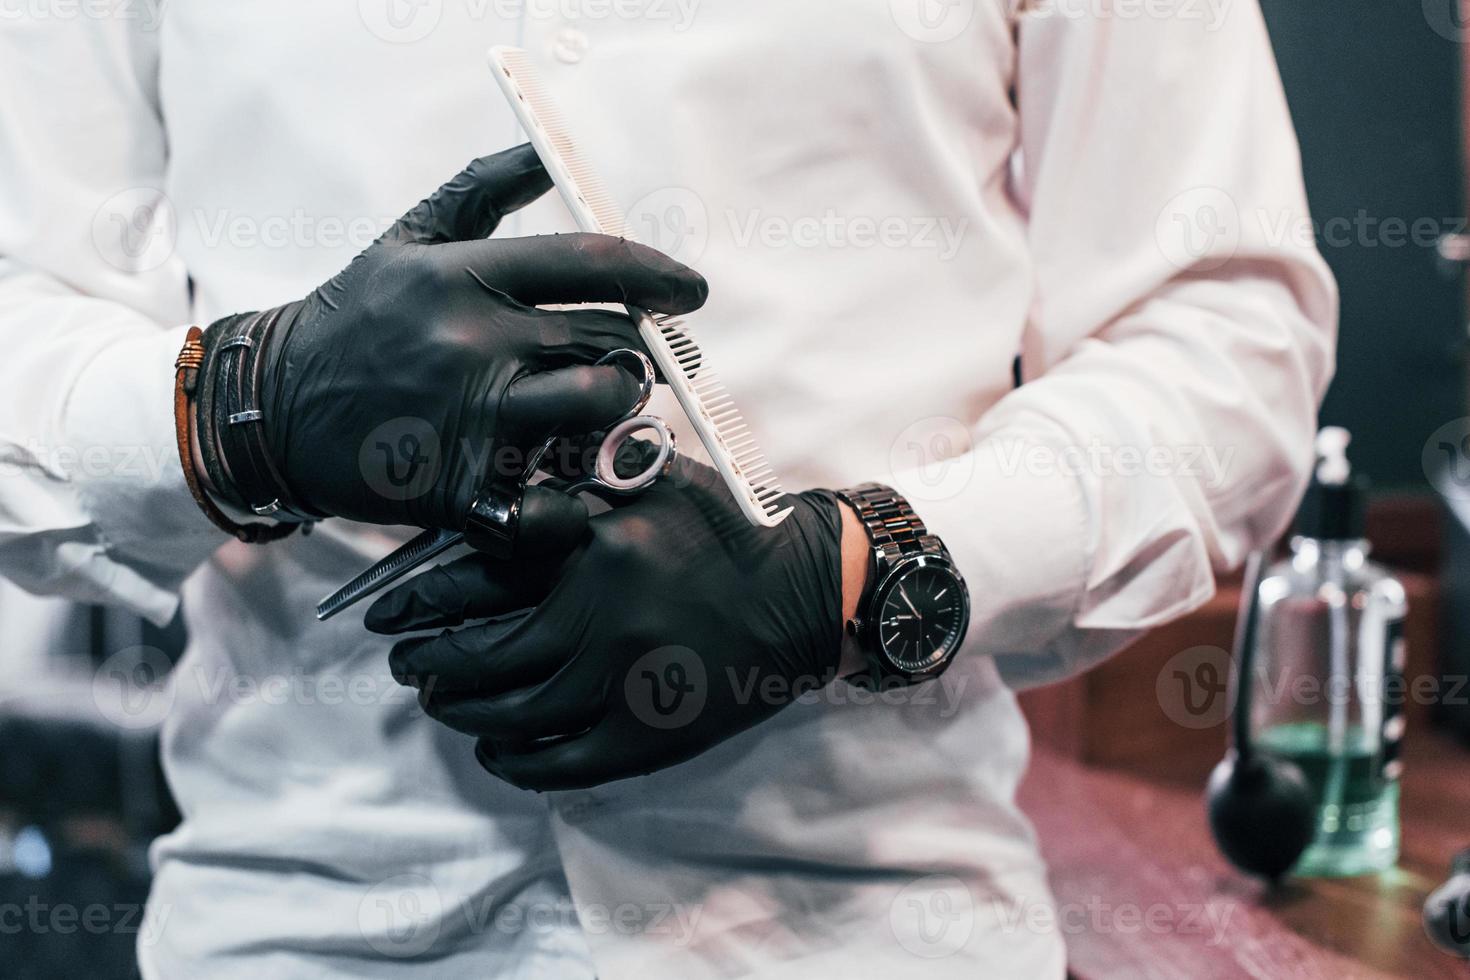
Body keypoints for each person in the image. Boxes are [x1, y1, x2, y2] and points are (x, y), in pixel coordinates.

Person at [0, 1, 1335, 976]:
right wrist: (243, 404)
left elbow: (1222, 333)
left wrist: (854, 573)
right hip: (299, 929)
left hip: (886, 931)